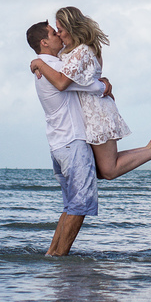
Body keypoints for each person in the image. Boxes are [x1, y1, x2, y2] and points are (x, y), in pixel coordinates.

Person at [30, 6, 151, 179]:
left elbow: (62, 82)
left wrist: (39, 64)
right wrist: (38, 65)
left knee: (108, 170)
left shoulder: (83, 51)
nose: (59, 35)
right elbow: (67, 74)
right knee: (99, 170)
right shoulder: (69, 52)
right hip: (85, 114)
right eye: (56, 31)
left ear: (72, 29)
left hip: (96, 113)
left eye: (61, 30)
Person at [26, 20, 111, 256]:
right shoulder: (54, 67)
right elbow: (85, 85)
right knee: (80, 204)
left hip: (58, 145)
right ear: (44, 42)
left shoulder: (46, 66)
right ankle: (60, 260)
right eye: (54, 34)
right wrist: (103, 86)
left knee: (71, 205)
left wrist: (37, 62)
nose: (60, 37)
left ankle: (52, 255)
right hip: (72, 142)